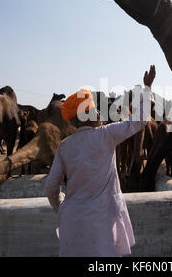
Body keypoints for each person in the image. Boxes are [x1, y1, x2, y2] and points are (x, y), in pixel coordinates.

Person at [45, 65, 156, 257]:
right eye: (94, 110)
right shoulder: (106, 135)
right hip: (102, 223)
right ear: (88, 116)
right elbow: (139, 121)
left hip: (71, 220)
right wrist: (147, 89)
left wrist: (62, 206)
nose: (98, 113)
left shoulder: (64, 146)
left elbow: (51, 187)